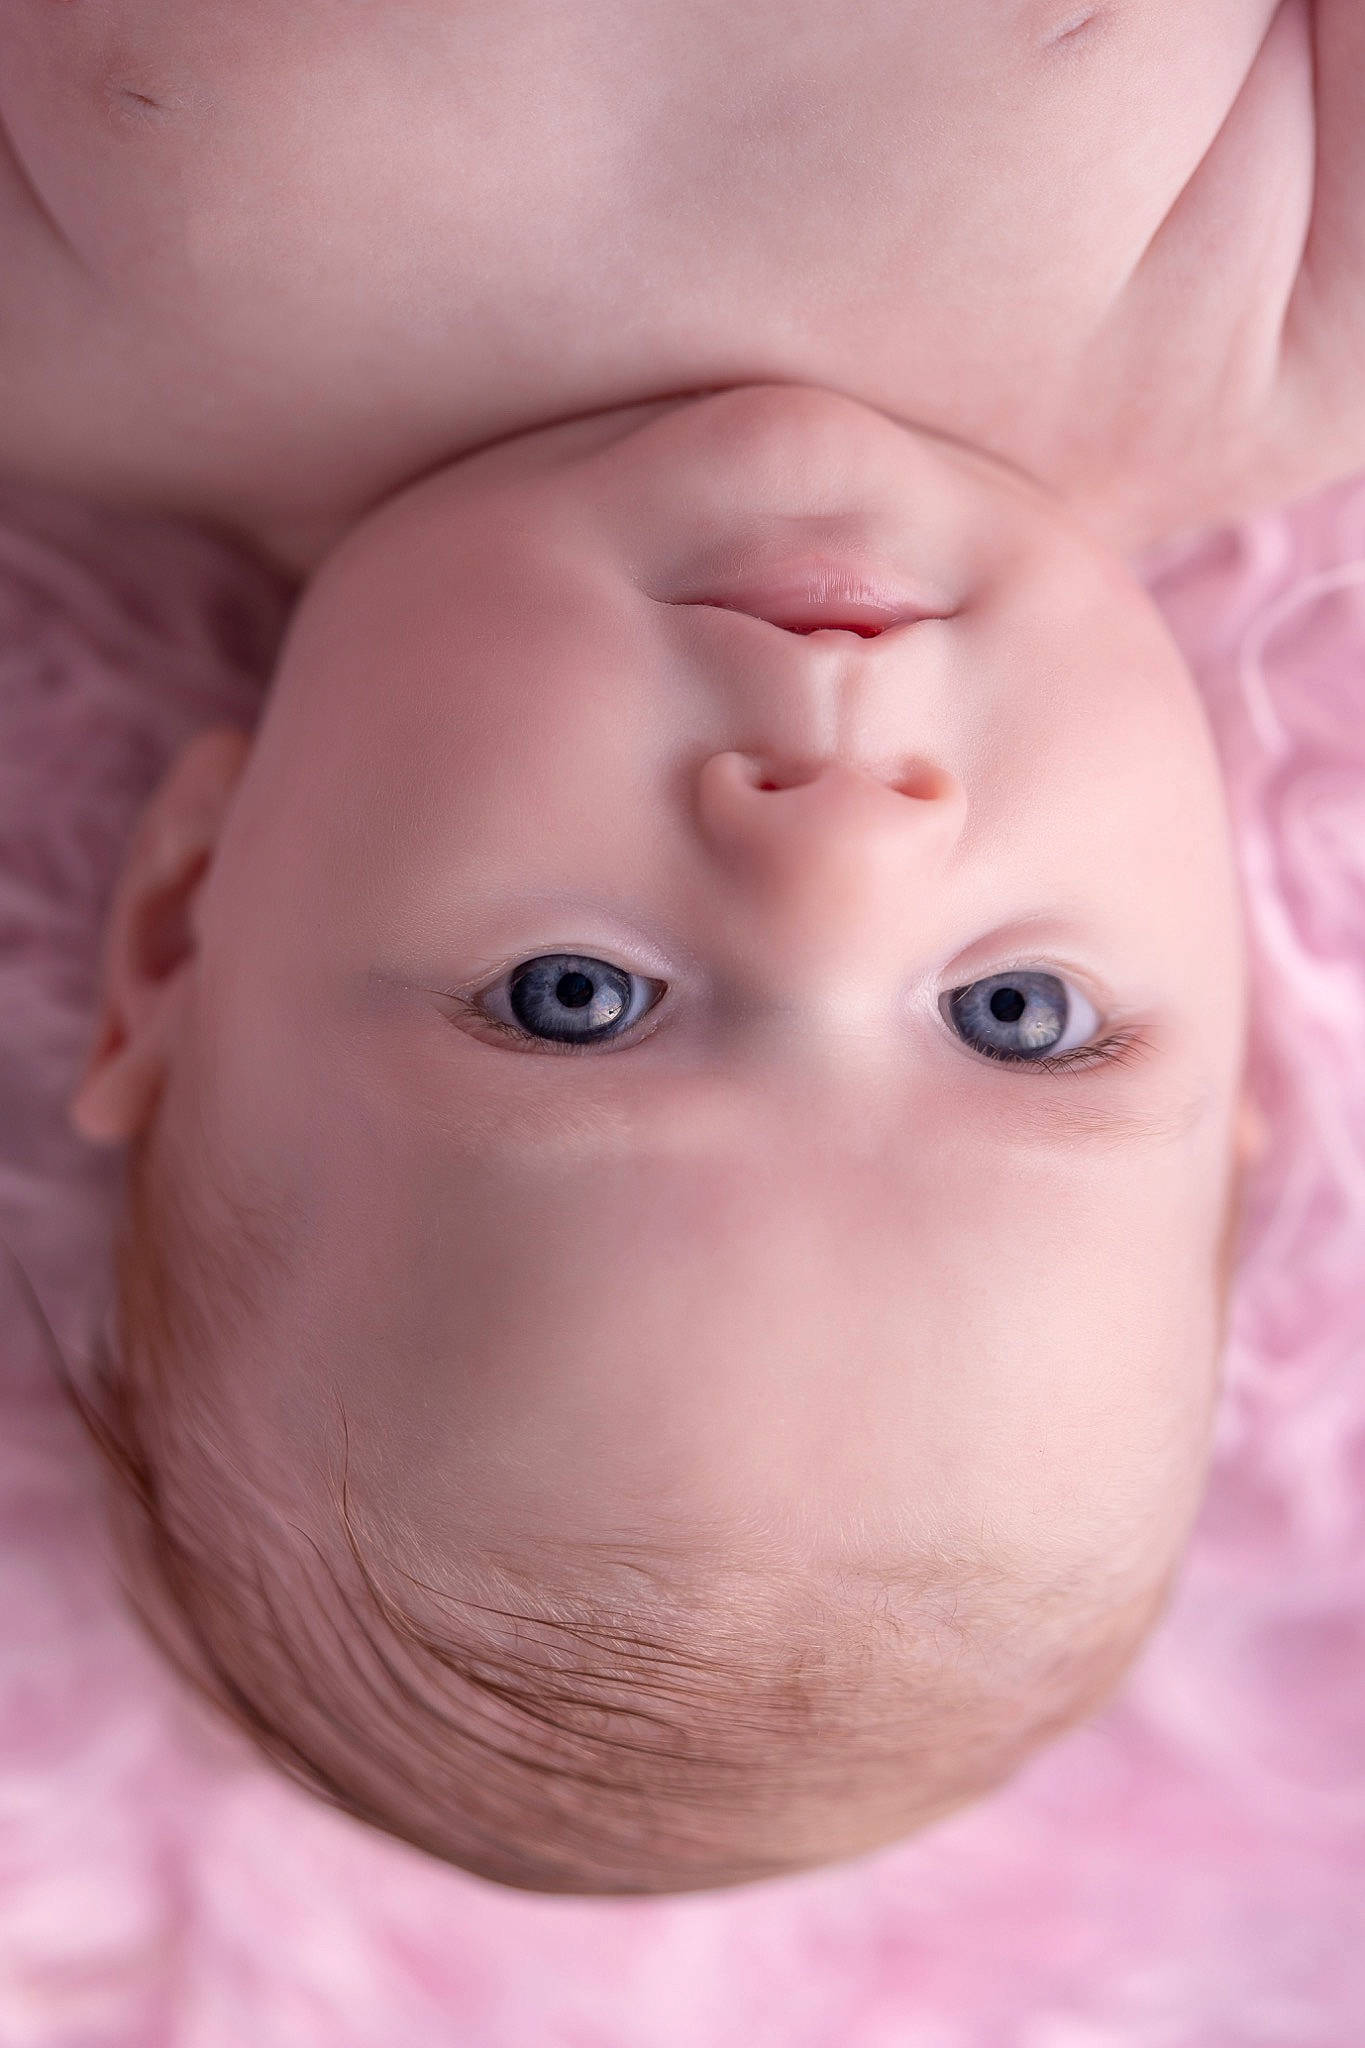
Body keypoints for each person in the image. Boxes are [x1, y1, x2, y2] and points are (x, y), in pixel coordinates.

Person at [13, 0, 1352, 1893]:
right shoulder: (1267, 315)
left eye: (577, 1003)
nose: (840, 853)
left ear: (177, 919)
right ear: (1251, 1041)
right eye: (1016, 1015)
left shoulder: (70, 331)